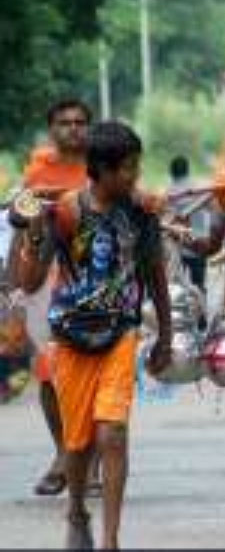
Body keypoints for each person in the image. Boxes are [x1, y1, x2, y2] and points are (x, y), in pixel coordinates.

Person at [11, 120, 173, 550]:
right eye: (127, 169)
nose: (134, 176)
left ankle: (111, 539)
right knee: (78, 442)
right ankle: (77, 510)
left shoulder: (142, 214)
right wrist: (32, 236)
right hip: (71, 339)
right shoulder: (64, 212)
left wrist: (166, 336)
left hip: (121, 332)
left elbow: (155, 273)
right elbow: (29, 283)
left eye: (136, 167)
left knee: (112, 433)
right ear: (99, 170)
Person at [15, 98, 91, 498]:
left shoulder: (102, 167)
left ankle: (87, 460)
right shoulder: (37, 171)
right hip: (47, 279)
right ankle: (63, 453)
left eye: (80, 122)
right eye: (65, 122)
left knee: (93, 371)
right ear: (52, 129)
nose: (73, 129)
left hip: (97, 280)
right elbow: (21, 224)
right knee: (49, 372)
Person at [163, 155, 209, 289]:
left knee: (178, 286)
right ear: (187, 170)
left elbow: (166, 221)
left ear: (172, 172)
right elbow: (204, 215)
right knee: (199, 283)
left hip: (178, 246)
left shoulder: (168, 193)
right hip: (198, 243)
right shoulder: (198, 189)